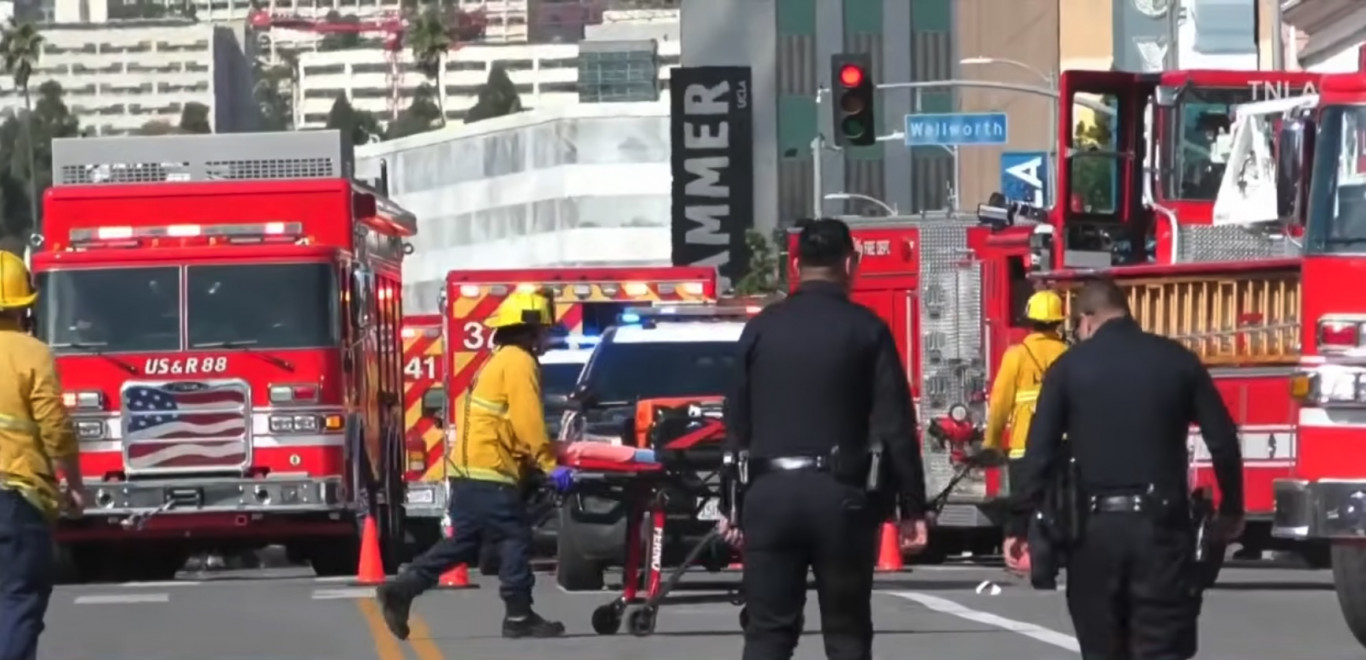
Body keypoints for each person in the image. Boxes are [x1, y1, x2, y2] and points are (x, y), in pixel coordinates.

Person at [722, 218, 930, 660]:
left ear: (795, 265)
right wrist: (911, 505)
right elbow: (894, 421)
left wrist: (731, 503)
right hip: (841, 496)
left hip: (769, 493)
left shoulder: (761, 329)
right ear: (851, 263)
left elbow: (736, 421)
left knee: (767, 633)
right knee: (847, 630)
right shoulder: (866, 328)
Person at [1004, 278, 1244, 660]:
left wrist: (1018, 526)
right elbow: (1222, 439)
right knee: (1162, 649)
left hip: (1093, 533)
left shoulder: (1068, 368)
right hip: (1163, 529)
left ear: (1086, 320)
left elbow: (1039, 453)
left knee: (1102, 649)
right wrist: (1232, 506)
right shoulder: (1177, 360)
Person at [376, 290, 571, 640]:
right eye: (542, 329)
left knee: (464, 542)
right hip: (491, 471)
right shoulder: (518, 362)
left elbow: (503, 422)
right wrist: (548, 463)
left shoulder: (496, 361)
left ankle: (403, 589)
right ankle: (518, 614)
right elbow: (528, 421)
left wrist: (528, 464)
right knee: (514, 536)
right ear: (529, 330)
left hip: (469, 471)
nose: (545, 336)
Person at [0, 251, 84, 660]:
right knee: (18, 601)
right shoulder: (32, 354)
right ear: (24, 306)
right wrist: (74, 483)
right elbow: (55, 428)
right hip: (15, 499)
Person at [982, 289, 1069, 487]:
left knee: (1025, 509)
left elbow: (1000, 404)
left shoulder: (1016, 355)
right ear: (1059, 321)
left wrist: (992, 443)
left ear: (1029, 320)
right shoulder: (1070, 353)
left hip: (1023, 448)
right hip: (1062, 449)